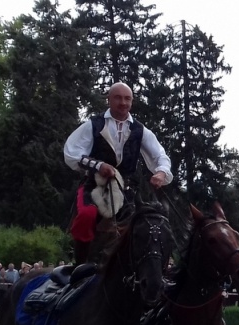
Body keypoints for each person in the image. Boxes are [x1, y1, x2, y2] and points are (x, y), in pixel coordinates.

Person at [63, 81, 174, 265]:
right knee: (86, 216)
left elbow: (160, 156)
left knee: (148, 223)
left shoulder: (140, 130)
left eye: (127, 98)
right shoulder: (93, 125)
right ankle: (79, 266)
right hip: (94, 185)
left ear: (132, 101)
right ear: (109, 100)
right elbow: (71, 153)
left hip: (127, 191)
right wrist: (99, 166)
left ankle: (155, 268)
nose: (123, 102)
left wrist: (161, 173)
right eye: (118, 98)